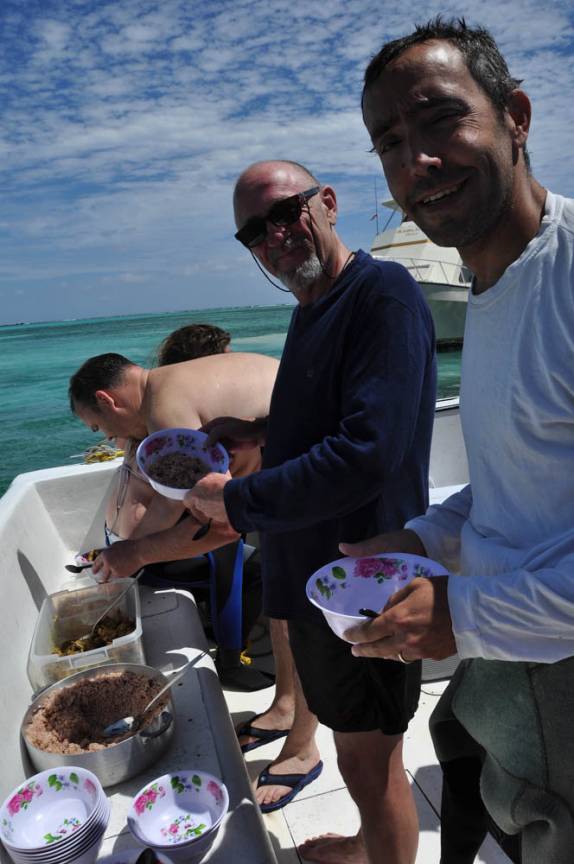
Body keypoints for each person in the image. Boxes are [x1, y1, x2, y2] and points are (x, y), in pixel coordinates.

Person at [345, 17, 574, 864]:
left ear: (515, 113)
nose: (416, 161)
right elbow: (516, 475)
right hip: (510, 647)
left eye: (441, 119)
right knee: (469, 764)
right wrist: (423, 538)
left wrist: (461, 614)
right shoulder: (490, 287)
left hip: (559, 671)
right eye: (391, 142)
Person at [186, 160, 436, 862]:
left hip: (363, 585)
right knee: (355, 745)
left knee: (371, 761)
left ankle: (378, 852)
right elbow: (327, 418)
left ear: (326, 203)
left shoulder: (380, 293)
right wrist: (254, 435)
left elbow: (367, 453)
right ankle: (366, 844)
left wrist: (237, 499)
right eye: (254, 233)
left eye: (286, 212)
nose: (275, 236)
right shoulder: (313, 304)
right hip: (320, 580)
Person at [69, 347, 279, 689]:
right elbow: (177, 504)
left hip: (322, 463)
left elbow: (214, 525)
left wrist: (134, 554)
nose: (106, 437)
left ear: (107, 400)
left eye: (97, 426)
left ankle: (256, 679)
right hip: (297, 443)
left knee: (276, 589)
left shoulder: (165, 414)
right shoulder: (169, 384)